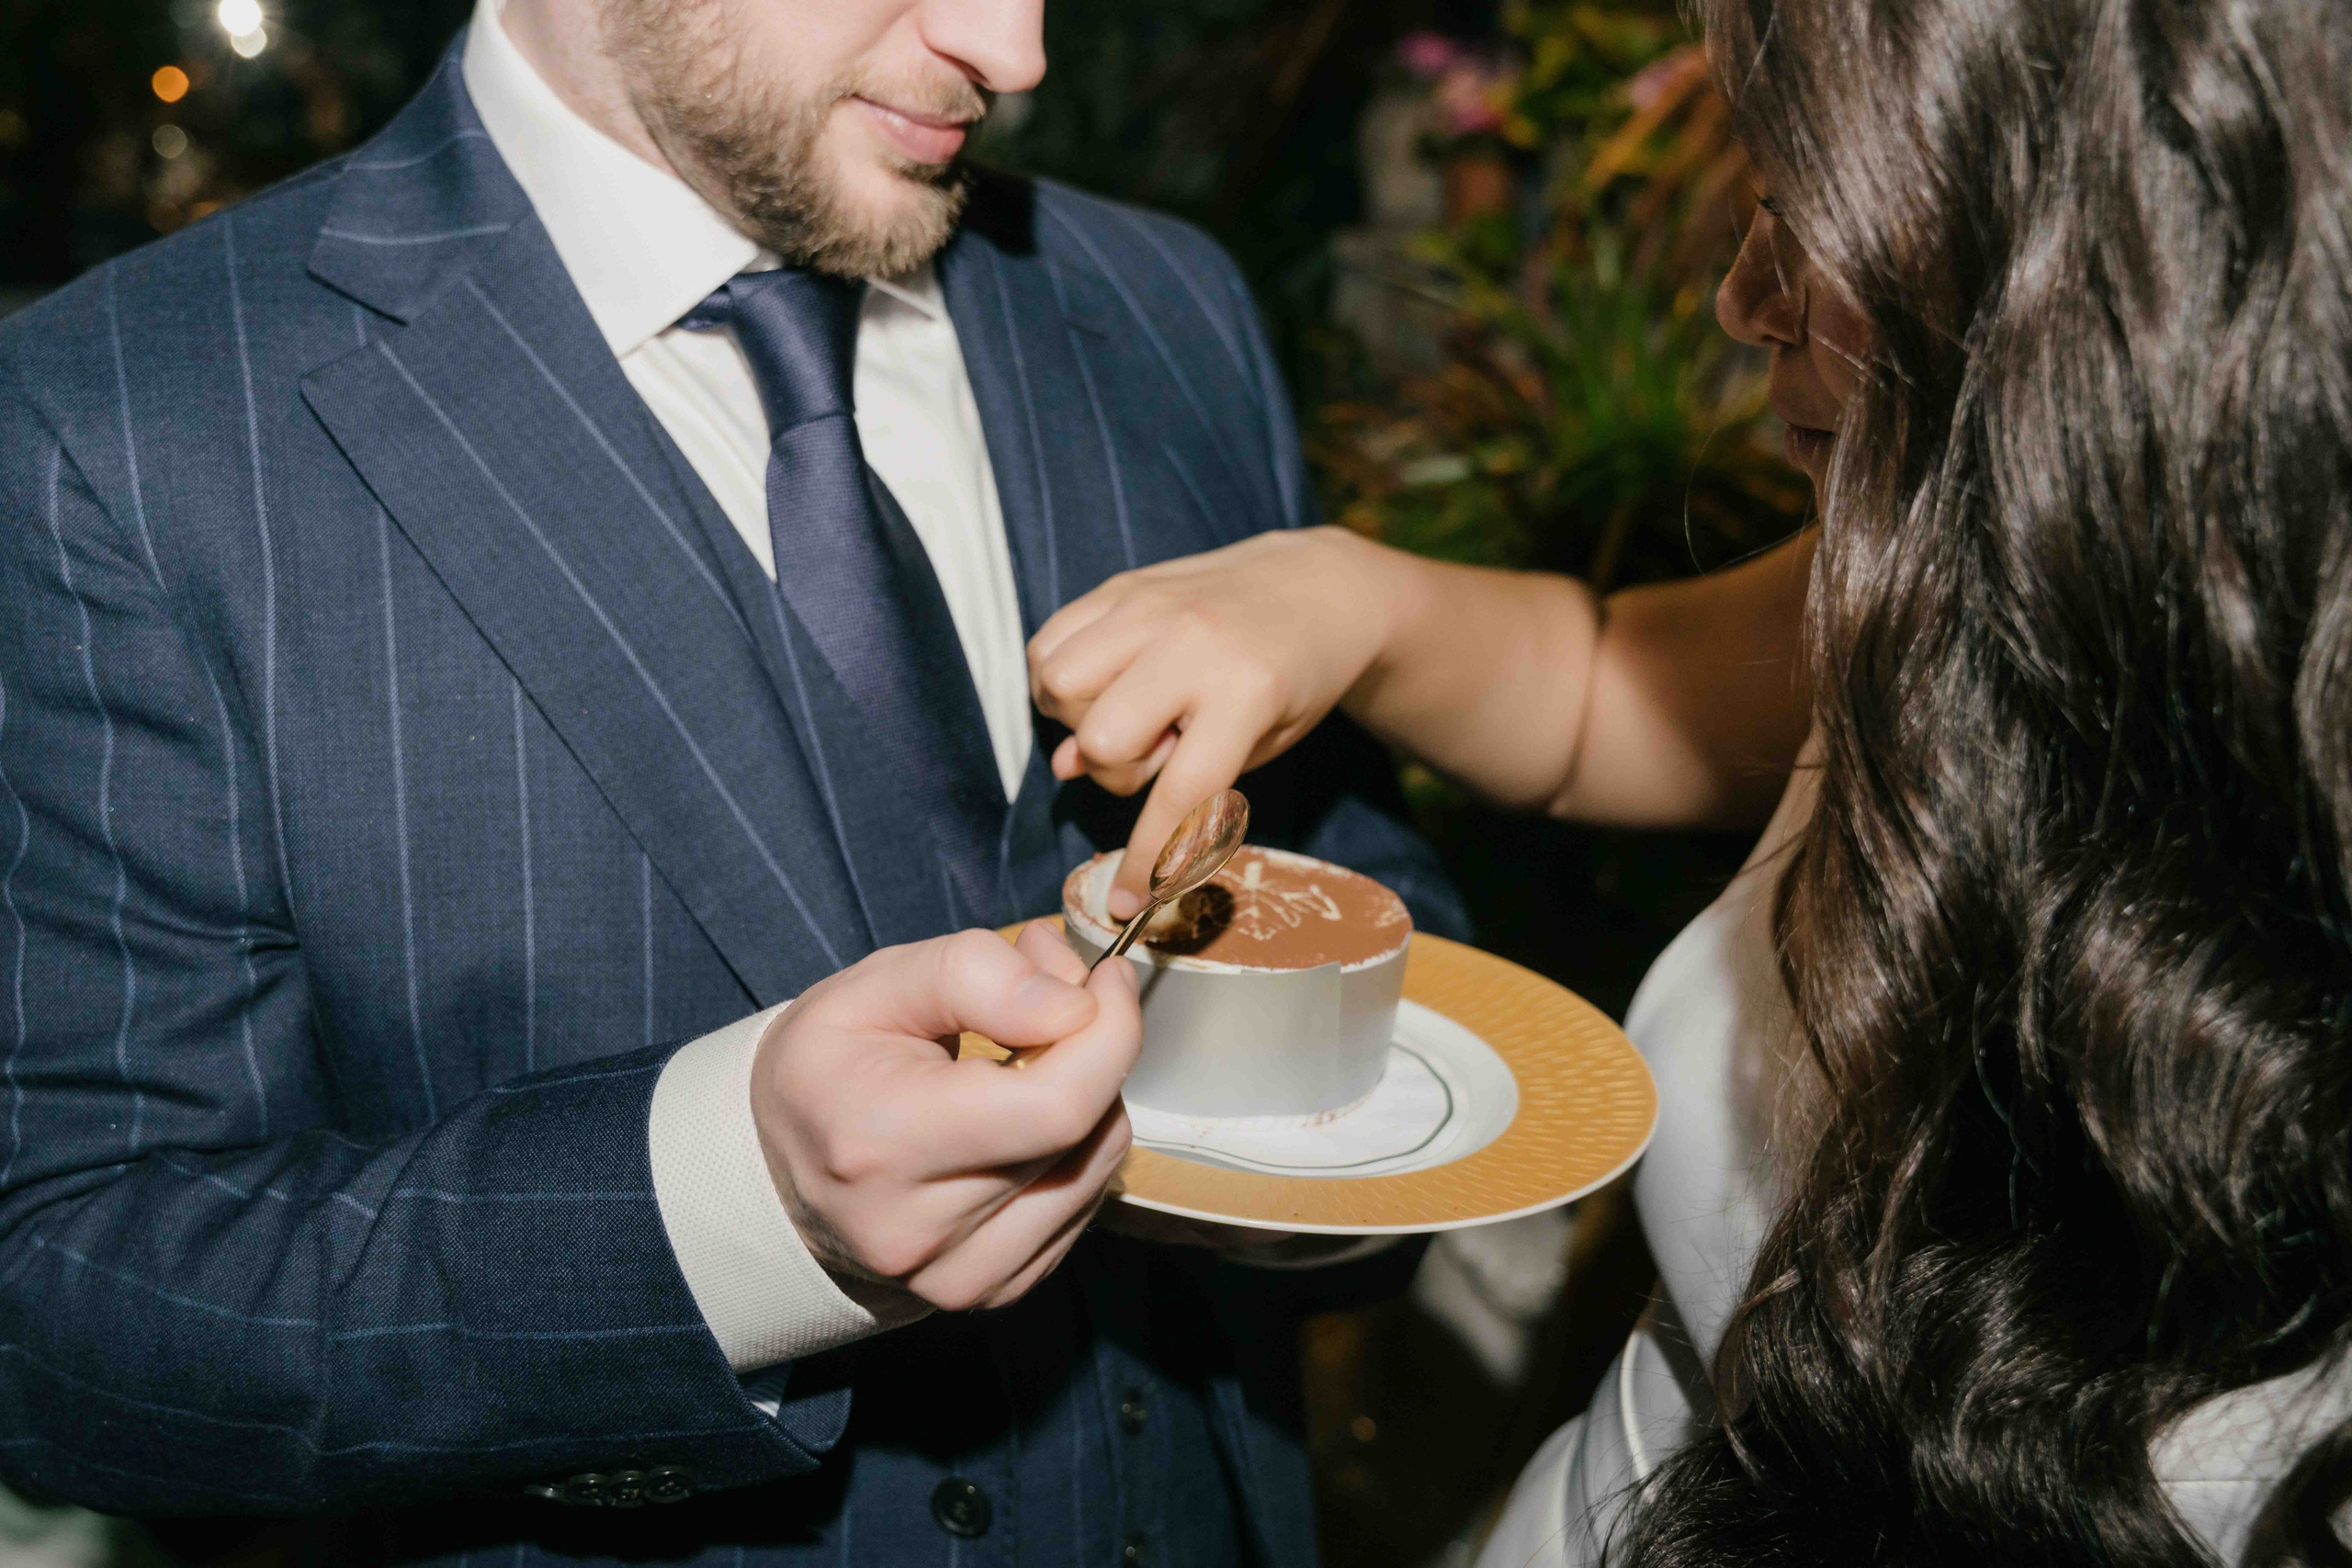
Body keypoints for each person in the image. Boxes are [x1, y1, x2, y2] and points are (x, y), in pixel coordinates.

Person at [0, 0, 1466, 1562]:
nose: (1016, 49)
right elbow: (63, 1299)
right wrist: (733, 1215)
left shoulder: (1169, 305)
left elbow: (1359, 896)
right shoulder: (112, 432)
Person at [1034, 0, 2352, 1559]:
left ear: (2099, 257)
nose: (1741, 300)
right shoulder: (1971, 550)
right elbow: (1596, 686)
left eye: (1811, 220)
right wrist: (1339, 596)